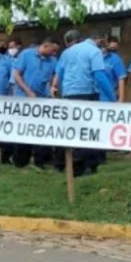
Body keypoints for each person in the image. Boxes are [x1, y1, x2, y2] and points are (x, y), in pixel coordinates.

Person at [52, 30, 111, 176]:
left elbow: (60, 74)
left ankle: (69, 165)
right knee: (90, 131)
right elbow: (99, 75)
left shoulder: (67, 52)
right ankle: (89, 166)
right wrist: (112, 97)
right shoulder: (94, 51)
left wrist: (61, 94)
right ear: (98, 40)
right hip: (87, 94)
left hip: (69, 95)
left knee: (73, 130)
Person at [11, 37, 58, 169]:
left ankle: (40, 161)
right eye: (52, 50)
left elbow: (57, 73)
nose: (54, 53)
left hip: (42, 100)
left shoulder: (52, 60)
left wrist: (53, 86)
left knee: (40, 131)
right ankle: (20, 162)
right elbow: (17, 74)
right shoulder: (26, 54)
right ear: (45, 46)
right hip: (24, 99)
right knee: (23, 130)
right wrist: (28, 92)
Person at [98, 35, 127, 102]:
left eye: (105, 45)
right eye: (101, 46)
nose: (103, 48)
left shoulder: (115, 58)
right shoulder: (93, 57)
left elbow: (121, 79)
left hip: (109, 97)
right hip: (93, 97)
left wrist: (121, 99)